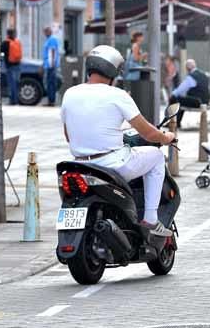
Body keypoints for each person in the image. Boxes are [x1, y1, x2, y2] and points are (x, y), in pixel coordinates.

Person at [61, 45, 176, 237]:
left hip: (78, 164)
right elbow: (148, 133)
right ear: (113, 71)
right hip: (111, 163)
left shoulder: (69, 93)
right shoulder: (118, 95)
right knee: (156, 156)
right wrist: (166, 138)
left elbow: (68, 136)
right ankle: (150, 219)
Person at [169, 59, 210, 124]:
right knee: (181, 100)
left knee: (175, 98)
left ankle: (173, 123)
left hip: (197, 102)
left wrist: (172, 94)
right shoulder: (204, 75)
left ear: (187, 68)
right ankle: (177, 122)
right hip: (205, 101)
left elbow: (180, 90)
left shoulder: (192, 77)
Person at [1, 28, 22, 105]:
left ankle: (12, 101)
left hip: (10, 66)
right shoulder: (17, 42)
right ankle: (16, 100)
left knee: (11, 84)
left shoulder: (5, 43)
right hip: (18, 65)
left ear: (8, 34)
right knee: (16, 84)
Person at [43, 26, 62, 105]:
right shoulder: (49, 39)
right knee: (49, 83)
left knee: (51, 83)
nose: (45, 33)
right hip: (49, 64)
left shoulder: (52, 39)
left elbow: (52, 51)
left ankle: (51, 101)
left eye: (46, 31)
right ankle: (50, 100)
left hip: (51, 65)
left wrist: (52, 64)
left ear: (49, 31)